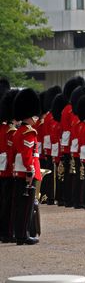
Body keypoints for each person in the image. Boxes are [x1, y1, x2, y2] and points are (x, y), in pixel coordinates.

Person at [11, 88, 41, 245]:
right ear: (29, 116)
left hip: (20, 173)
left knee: (21, 206)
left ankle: (20, 234)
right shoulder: (28, 132)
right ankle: (23, 235)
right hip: (26, 174)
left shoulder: (18, 131)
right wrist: (30, 172)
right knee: (25, 207)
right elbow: (27, 155)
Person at [59, 76, 85, 207]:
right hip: (75, 147)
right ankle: (77, 199)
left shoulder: (65, 109)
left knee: (70, 174)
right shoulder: (73, 110)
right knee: (76, 174)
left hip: (68, 146)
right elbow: (75, 130)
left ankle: (68, 198)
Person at [0, 88, 18, 243]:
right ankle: (7, 232)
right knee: (8, 204)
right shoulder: (11, 132)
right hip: (8, 172)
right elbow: (11, 154)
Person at [70, 86, 85, 208]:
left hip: (76, 150)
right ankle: (82, 200)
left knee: (78, 176)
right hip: (81, 151)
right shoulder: (78, 120)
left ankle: (77, 200)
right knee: (82, 177)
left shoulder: (75, 118)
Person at [40, 86, 61, 205]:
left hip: (50, 149)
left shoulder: (48, 117)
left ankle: (48, 196)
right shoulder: (51, 118)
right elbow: (49, 136)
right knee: (52, 175)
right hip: (53, 150)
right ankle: (50, 196)